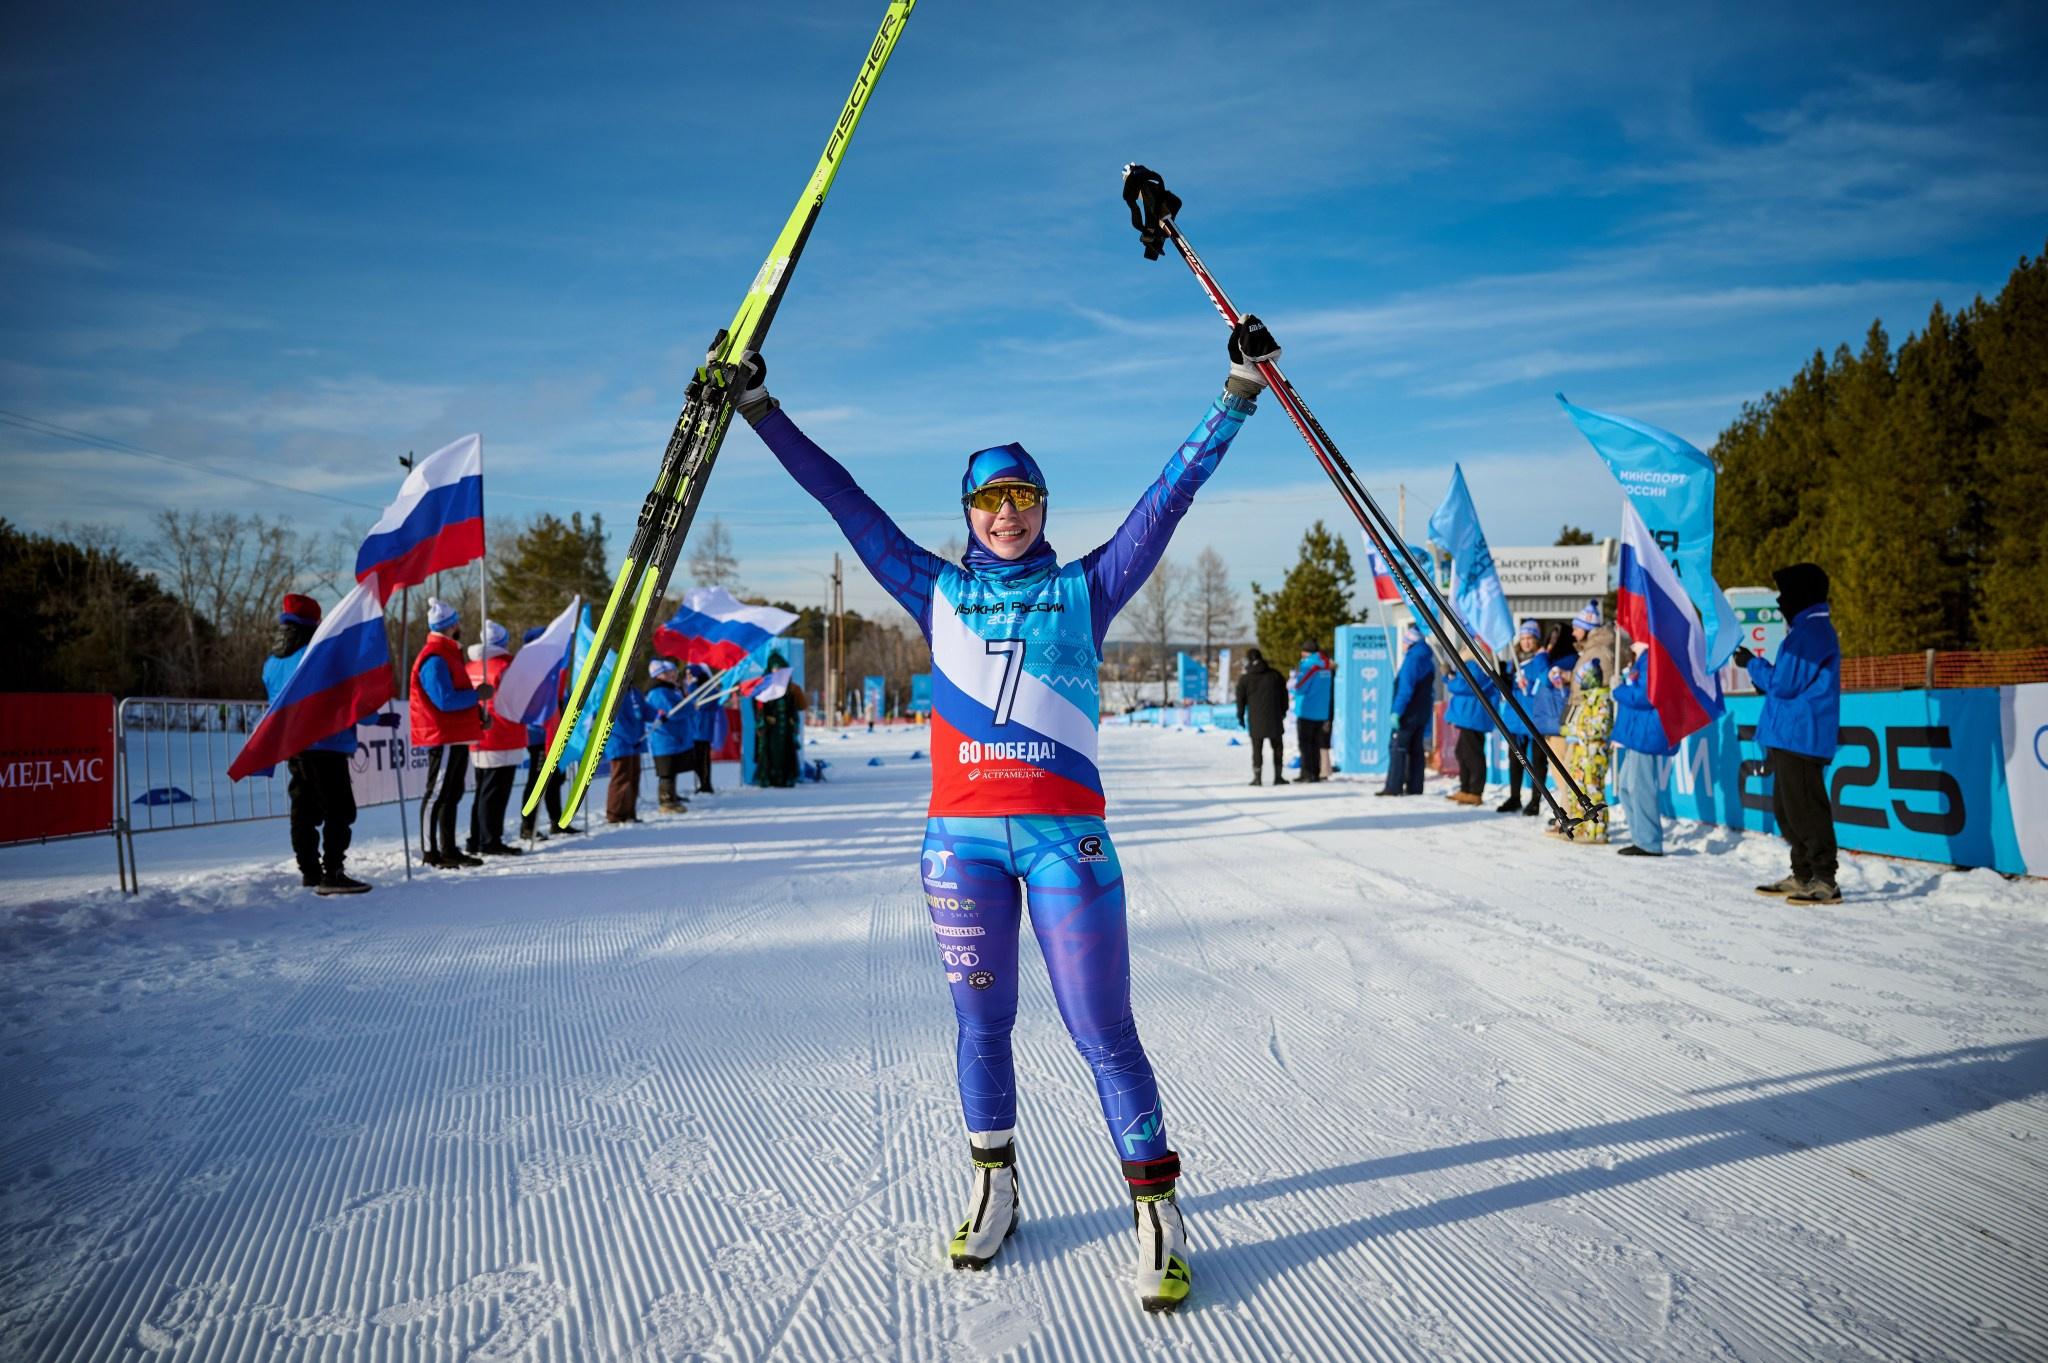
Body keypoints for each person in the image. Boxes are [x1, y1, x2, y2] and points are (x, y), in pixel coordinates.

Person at [738, 314, 1275, 1314]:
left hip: (1065, 838)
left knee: (1100, 1027)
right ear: (967, 510)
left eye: (1020, 497)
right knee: (981, 1023)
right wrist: (761, 409)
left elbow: (1169, 498)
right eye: (987, 499)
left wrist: (1235, 394)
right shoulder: (931, 588)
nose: (1004, 514)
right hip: (961, 847)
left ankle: (1157, 1212)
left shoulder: (1086, 587)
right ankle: (994, 1183)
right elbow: (842, 501)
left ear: (1039, 505)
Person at [1736, 562, 1842, 904]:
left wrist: (1752, 664)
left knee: (1807, 809)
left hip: (1802, 735)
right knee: (1788, 809)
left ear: (1801, 594)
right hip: (1789, 734)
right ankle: (1804, 875)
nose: (1780, 602)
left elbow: (1783, 683)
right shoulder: (1804, 630)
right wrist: (1760, 672)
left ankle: (1824, 880)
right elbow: (1786, 683)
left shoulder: (1810, 632)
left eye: (1785, 594)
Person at [262, 592, 369, 895]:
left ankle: (309, 872)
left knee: (304, 811)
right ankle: (332, 873)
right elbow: (345, 698)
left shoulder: (272, 662)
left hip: (294, 745)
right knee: (340, 810)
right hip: (327, 744)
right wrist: (375, 718)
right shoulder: (317, 656)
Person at [411, 597, 491, 869]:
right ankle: (430, 851)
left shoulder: (448, 654)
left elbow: (454, 696)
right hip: (442, 735)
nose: (459, 625)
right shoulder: (434, 657)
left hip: (455, 734)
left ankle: (448, 848)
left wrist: (478, 715)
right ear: (450, 624)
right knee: (437, 793)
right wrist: (476, 696)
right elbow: (444, 700)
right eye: (456, 620)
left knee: (452, 793)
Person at [1611, 642, 1676, 856]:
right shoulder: (1643, 658)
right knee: (1626, 787)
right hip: (1637, 730)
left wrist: (1618, 689)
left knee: (1640, 787)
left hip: (1646, 731)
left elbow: (1646, 696)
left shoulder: (1652, 658)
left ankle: (1649, 841)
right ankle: (1640, 837)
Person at [466, 621, 524, 856]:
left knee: (482, 790)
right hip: (502, 734)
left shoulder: (471, 666)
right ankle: (490, 840)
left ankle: (477, 838)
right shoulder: (504, 666)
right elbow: (516, 700)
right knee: (495, 793)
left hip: (479, 734)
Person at [1498, 619, 1565, 816]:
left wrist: (1531, 685)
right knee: (1515, 760)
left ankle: (1536, 799)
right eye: (1524, 638)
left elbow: (1545, 684)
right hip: (1515, 718)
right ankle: (1514, 796)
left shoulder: (1540, 660)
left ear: (1536, 640)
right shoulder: (1514, 661)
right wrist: (1506, 682)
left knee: (1537, 761)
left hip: (1534, 718)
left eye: (1530, 638)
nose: (1526, 642)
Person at [518, 625, 572, 840]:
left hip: (555, 730)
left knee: (556, 777)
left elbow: (561, 697)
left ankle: (557, 821)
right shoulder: (529, 671)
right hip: (539, 734)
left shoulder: (551, 668)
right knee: (537, 780)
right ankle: (527, 826)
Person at [1375, 625, 1434, 797]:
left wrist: (1397, 712)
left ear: (1409, 641)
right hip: (1421, 713)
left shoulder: (1412, 659)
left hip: (1408, 713)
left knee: (1397, 748)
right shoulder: (1428, 659)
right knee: (1416, 750)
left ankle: (1393, 786)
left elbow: (1405, 689)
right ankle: (1415, 787)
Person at [1559, 657, 1613, 843]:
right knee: (1578, 790)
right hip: (1581, 754)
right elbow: (1576, 724)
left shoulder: (1602, 699)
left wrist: (1574, 731)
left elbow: (1599, 727)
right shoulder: (1586, 700)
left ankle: (1597, 832)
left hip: (1594, 754)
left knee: (1593, 790)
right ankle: (1582, 828)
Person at [1441, 653, 1497, 807]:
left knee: (1473, 755)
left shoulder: (1475, 665)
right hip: (1469, 716)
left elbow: (1465, 686)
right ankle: (1465, 788)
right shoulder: (1472, 665)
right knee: (1462, 752)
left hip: (1473, 715)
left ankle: (1475, 792)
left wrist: (1447, 677)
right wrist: (1452, 675)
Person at [752, 651, 808, 788]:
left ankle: (785, 778)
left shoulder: (789, 686)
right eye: (775, 668)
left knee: (786, 753)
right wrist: (764, 719)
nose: (777, 671)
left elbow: (795, 706)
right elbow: (758, 705)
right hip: (771, 728)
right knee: (770, 752)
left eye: (779, 668)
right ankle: (769, 778)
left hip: (785, 726)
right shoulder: (764, 684)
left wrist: (793, 721)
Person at [645, 656, 694, 813]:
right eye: (668, 673)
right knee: (667, 771)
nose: (673, 675)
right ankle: (666, 801)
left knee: (672, 769)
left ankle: (672, 795)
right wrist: (690, 707)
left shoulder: (667, 689)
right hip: (665, 739)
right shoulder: (659, 692)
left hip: (672, 738)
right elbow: (673, 712)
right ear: (659, 675)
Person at [1234, 646, 1288, 785]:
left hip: (1256, 719)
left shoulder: (1245, 679)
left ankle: (1257, 778)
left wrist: (1240, 716)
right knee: (1277, 748)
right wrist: (1283, 711)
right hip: (1274, 717)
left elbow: (1240, 699)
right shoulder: (1275, 675)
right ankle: (1278, 776)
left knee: (1257, 749)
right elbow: (1284, 695)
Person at [602, 675, 652, 824]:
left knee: (633, 777)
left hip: (635, 742)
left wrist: (660, 713)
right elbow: (616, 722)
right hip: (620, 743)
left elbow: (644, 710)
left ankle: (629, 812)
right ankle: (615, 814)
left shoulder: (634, 691)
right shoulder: (614, 692)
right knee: (621, 778)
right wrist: (632, 739)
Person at [1289, 641, 1335, 782]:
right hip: (1321, 711)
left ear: (1305, 652)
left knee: (1305, 744)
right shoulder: (1326, 666)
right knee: (1316, 743)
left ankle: (1307, 773)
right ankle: (1315, 772)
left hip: (1307, 710)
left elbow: (1300, 687)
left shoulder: (1309, 666)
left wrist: (1291, 688)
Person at [685, 662, 719, 794]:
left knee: (703, 758)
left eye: (690, 674)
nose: (688, 677)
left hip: (703, 728)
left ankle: (706, 783)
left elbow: (698, 702)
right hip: (694, 728)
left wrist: (692, 685)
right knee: (695, 758)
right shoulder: (693, 686)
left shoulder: (708, 687)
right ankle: (702, 782)